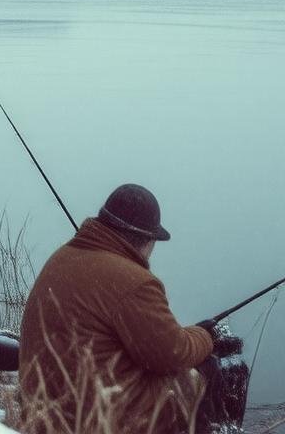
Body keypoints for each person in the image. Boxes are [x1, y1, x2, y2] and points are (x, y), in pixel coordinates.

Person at [18, 184, 225, 434]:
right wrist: (205, 336)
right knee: (206, 370)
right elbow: (174, 354)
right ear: (148, 240)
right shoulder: (135, 282)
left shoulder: (62, 256)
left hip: (45, 413)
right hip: (98, 420)